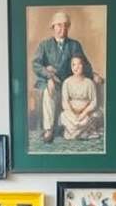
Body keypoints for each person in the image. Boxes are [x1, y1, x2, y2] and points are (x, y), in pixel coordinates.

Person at [31, 11, 102, 143]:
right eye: (59, 25)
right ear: (53, 27)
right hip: (52, 81)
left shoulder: (74, 45)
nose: (62, 29)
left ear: (68, 27)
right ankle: (49, 130)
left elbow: (83, 64)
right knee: (48, 91)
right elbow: (36, 64)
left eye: (65, 26)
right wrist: (48, 77)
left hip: (69, 82)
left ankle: (73, 128)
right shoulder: (44, 45)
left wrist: (93, 74)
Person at [59, 54, 99, 141]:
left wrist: (83, 114)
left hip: (85, 113)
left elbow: (93, 102)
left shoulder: (89, 83)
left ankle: (76, 133)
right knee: (63, 116)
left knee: (88, 119)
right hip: (71, 113)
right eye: (73, 64)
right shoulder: (67, 82)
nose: (76, 67)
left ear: (83, 66)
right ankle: (80, 132)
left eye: (79, 64)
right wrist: (73, 116)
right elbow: (65, 101)